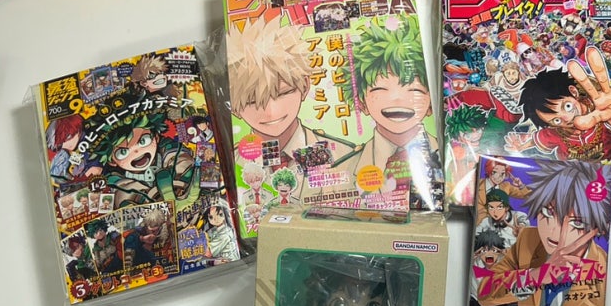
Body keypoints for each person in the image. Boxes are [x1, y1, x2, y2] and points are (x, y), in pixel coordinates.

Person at [477, 160, 611, 306]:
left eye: (576, 223)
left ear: (597, 228)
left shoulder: (605, 270)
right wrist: (537, 275)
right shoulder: (528, 240)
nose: (555, 233)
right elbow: (485, 292)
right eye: (548, 213)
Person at [227, 15, 356, 201]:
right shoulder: (229, 164)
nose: (271, 111)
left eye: (283, 93)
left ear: (305, 86)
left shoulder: (345, 155)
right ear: (234, 107)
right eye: (252, 101)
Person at [346, 15, 443, 209]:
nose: (397, 99)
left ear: (432, 103)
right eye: (380, 89)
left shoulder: (448, 157)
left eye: (414, 89)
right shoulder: (345, 166)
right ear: (361, 101)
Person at [505, 47, 611, 161]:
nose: (567, 118)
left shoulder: (601, 108)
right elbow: (538, 139)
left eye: (567, 106)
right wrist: (521, 146)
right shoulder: (557, 132)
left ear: (573, 92)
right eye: (556, 120)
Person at [90, 112, 198, 209]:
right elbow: (123, 198)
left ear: (156, 137)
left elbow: (184, 161)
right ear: (112, 161)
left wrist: (183, 177)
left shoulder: (170, 150)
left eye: (143, 141)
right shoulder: (117, 183)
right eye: (123, 152)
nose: (136, 151)